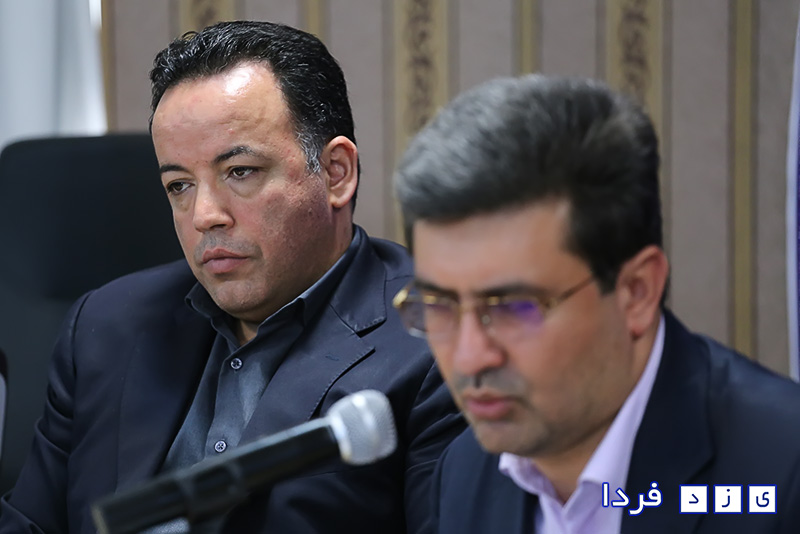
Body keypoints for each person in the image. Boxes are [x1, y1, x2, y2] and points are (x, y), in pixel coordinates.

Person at [0, 20, 464, 534]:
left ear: (336, 173)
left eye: (240, 172)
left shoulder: (441, 341)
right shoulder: (105, 327)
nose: (204, 215)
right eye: (179, 185)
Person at [392, 74, 800, 533]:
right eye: (440, 305)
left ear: (636, 292)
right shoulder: (466, 474)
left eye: (513, 308)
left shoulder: (782, 471)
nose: (470, 358)